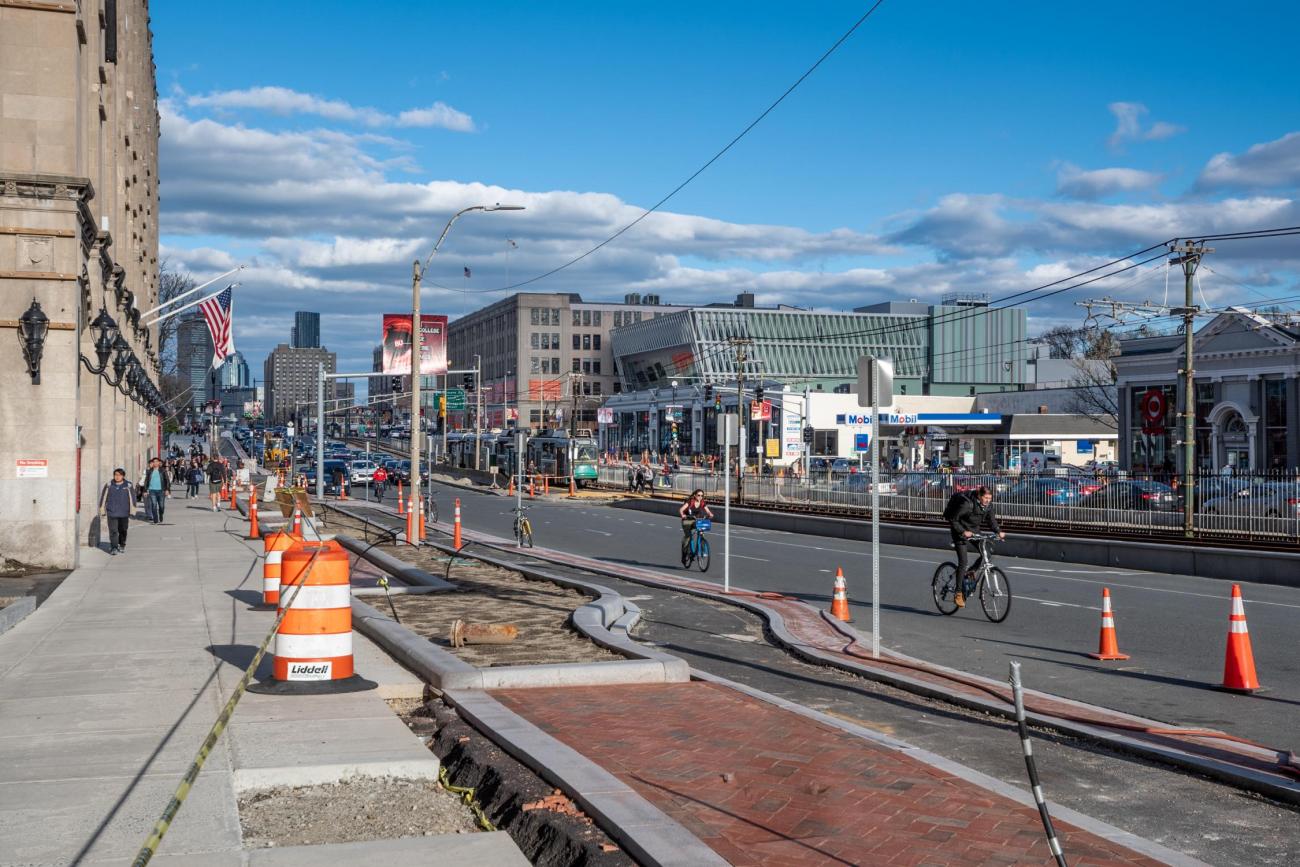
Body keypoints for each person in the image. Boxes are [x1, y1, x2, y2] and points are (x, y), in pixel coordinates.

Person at [946, 486, 1004, 608]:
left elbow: (991, 521)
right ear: (979, 496)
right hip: (959, 531)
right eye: (986, 498)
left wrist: (998, 531)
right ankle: (958, 593)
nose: (988, 500)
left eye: (990, 498)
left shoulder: (988, 506)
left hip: (974, 531)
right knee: (963, 562)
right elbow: (953, 519)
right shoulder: (967, 504)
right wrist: (963, 532)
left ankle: (971, 571)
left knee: (987, 553)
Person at [99, 468, 136, 555]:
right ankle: (114, 547)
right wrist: (102, 509)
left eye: (119, 475)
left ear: (123, 476)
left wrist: (133, 510)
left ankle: (122, 544)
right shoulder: (109, 485)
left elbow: (132, 498)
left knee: (123, 529)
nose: (117, 477)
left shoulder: (128, 485)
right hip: (112, 512)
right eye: (115, 475)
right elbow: (103, 497)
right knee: (113, 531)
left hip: (124, 512)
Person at [678, 489, 714, 556]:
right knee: (688, 537)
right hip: (687, 520)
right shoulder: (690, 502)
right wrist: (683, 515)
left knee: (701, 533)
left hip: (696, 520)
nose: (700, 497)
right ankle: (685, 552)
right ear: (695, 495)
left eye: (702, 496)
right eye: (698, 495)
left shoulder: (702, 502)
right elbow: (681, 509)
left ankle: (703, 552)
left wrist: (710, 514)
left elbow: (708, 511)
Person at [141, 457, 170, 524]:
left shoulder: (163, 470)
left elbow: (167, 481)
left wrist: (167, 490)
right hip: (152, 491)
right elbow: (146, 481)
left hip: (161, 491)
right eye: (154, 462)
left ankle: (161, 515)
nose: (155, 463)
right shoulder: (149, 471)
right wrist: (145, 490)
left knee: (161, 506)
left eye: (157, 461)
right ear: (152, 463)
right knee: (153, 505)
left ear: (159, 463)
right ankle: (155, 519)